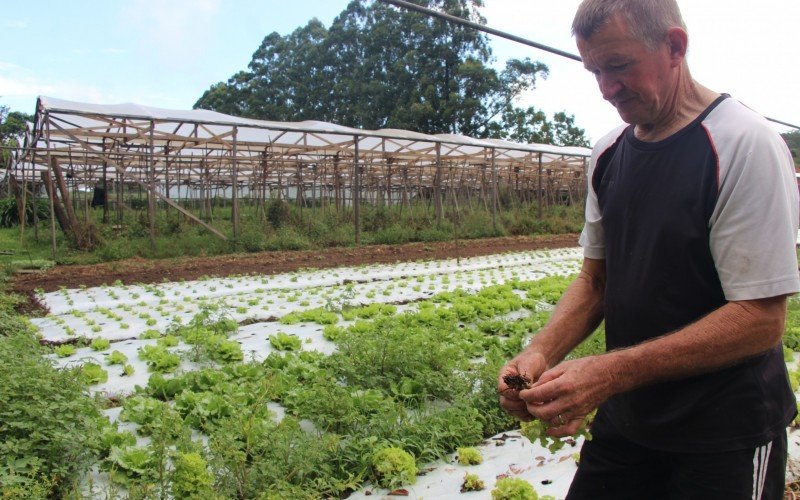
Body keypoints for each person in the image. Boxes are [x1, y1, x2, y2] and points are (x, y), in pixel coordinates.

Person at [497, 0, 800, 498]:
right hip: (629, 419)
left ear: (675, 46)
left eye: (618, 66)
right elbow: (596, 280)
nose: (606, 88)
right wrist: (540, 351)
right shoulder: (608, 152)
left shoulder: (744, 144)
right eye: (594, 70)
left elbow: (761, 317)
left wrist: (609, 371)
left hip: (724, 433)